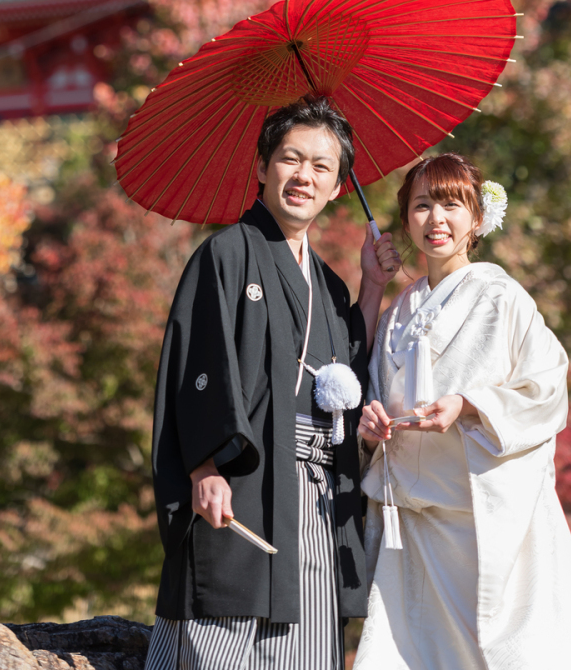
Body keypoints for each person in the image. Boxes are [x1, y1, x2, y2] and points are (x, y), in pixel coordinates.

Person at [145, 94, 401, 670]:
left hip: (316, 494)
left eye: (322, 166)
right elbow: (194, 371)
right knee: (221, 636)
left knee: (308, 638)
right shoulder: (225, 255)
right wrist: (203, 468)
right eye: (291, 158)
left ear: (338, 187)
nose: (304, 176)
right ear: (262, 167)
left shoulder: (330, 285)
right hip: (245, 482)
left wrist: (372, 286)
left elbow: (346, 370)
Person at [355, 151, 571, 670]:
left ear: (477, 219)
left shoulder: (502, 297)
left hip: (482, 523)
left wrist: (469, 404)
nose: (436, 218)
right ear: (405, 219)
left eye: (451, 204)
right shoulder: (399, 311)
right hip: (415, 531)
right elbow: (370, 390)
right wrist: (371, 427)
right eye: (422, 205)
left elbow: (546, 388)